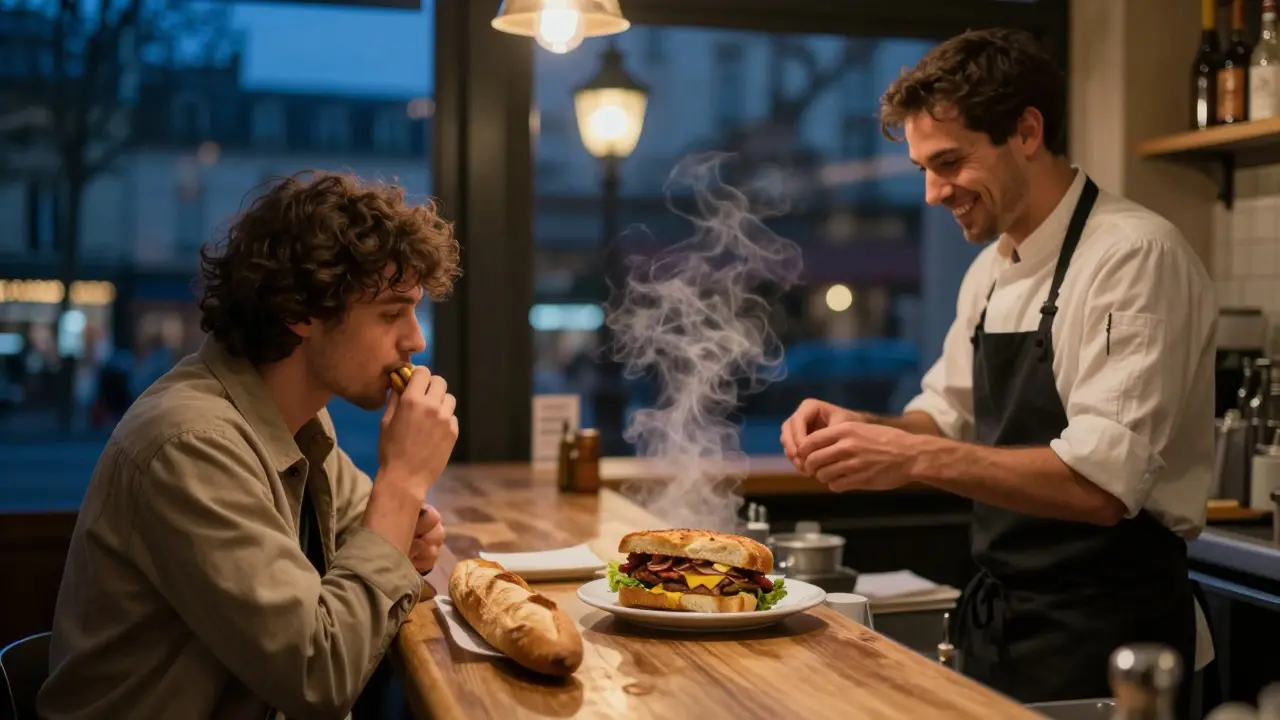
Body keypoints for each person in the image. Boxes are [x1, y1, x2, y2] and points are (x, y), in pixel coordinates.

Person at [781, 29, 1217, 709]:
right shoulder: (990, 270)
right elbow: (945, 418)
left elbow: (1098, 487)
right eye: (925, 167)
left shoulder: (1134, 256)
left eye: (949, 162)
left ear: (1026, 131)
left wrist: (912, 458)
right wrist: (863, 427)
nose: (932, 193)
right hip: (1002, 627)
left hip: (1109, 641)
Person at [39, 171, 462, 719]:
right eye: (390, 313)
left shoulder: (303, 420)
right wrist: (402, 482)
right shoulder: (191, 445)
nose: (416, 339)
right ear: (300, 312)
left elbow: (378, 540)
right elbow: (320, 675)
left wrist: (407, 525)